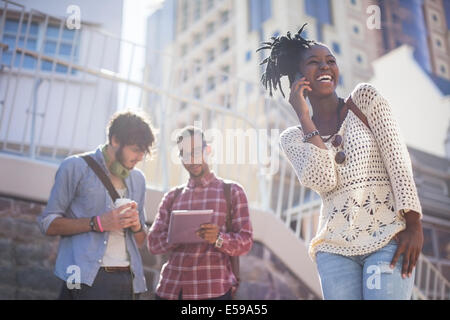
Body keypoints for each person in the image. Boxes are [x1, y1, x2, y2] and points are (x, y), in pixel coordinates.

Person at [258, 24, 423, 300]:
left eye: (330, 61)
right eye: (314, 63)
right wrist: (303, 116)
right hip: (334, 250)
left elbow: (398, 161)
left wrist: (414, 224)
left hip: (387, 236)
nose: (325, 67)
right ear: (298, 78)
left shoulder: (365, 99)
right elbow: (325, 180)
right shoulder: (292, 138)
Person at [37, 111, 155, 300]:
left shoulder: (138, 180)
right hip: (86, 278)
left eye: (144, 151)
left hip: (129, 279)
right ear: (115, 140)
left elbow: (140, 241)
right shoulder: (75, 167)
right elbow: (48, 224)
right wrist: (98, 223)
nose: (140, 157)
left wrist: (137, 226)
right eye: (135, 149)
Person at [148, 126, 253, 300]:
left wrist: (218, 238)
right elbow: (153, 244)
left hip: (212, 292)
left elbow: (246, 242)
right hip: (169, 290)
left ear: (208, 150)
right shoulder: (172, 197)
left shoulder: (232, 191)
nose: (192, 159)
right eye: (185, 153)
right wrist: (176, 236)